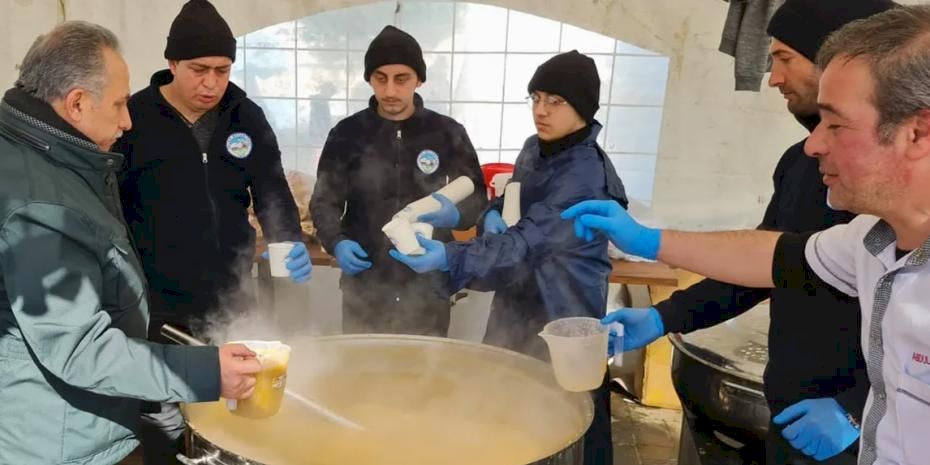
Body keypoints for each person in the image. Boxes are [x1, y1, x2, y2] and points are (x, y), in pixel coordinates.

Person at [563, 6, 930, 464]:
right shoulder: (866, 238)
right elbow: (772, 258)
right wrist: (655, 269)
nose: (816, 145)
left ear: (917, 132)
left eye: (835, 124)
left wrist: (853, 409)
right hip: (798, 414)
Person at [0, 21, 260, 465]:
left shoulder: (53, 158)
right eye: (119, 104)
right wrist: (207, 373)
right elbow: (79, 347)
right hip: (64, 443)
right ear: (77, 103)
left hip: (72, 422)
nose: (127, 120)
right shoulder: (41, 205)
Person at [390, 50, 627, 465]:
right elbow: (514, 203)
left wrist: (449, 256)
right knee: (503, 415)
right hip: (515, 307)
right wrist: (492, 214)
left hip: (563, 313)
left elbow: (527, 243)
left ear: (584, 109)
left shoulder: (586, 177)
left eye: (555, 101)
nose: (541, 111)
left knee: (567, 431)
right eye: (535, 98)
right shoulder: (536, 148)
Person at [114, 1, 309, 462]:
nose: (212, 83)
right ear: (172, 64)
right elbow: (112, 208)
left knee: (232, 424)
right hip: (156, 304)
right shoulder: (134, 119)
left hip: (231, 295)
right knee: (164, 424)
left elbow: (272, 189)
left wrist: (288, 241)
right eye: (199, 70)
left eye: (222, 70)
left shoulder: (246, 116)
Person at [310, 25, 486, 336]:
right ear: (369, 79)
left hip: (428, 286)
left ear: (420, 80)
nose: (390, 91)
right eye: (381, 78)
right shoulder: (348, 134)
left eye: (401, 79)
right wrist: (337, 243)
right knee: (362, 376)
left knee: (422, 377)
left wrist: (456, 215)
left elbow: (477, 201)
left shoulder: (447, 133)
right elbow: (324, 200)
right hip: (365, 286)